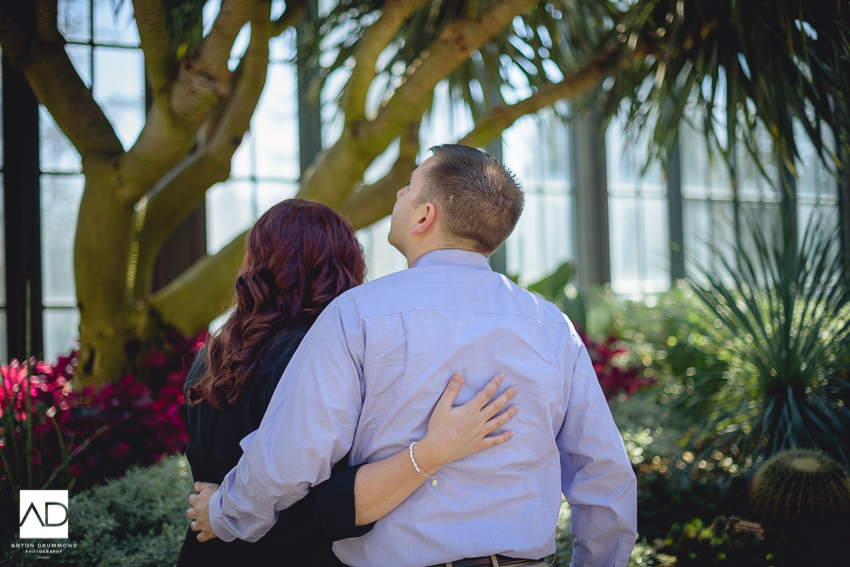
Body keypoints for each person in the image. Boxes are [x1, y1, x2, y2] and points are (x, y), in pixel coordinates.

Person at [189, 145, 638, 567]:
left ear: (425, 215)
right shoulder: (551, 326)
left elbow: (289, 459)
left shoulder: (357, 315)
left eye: (408, 186)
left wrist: (226, 514)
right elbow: (603, 474)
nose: (399, 193)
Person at [178, 199, 519, 566]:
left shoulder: (210, 358)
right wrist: (433, 450)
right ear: (344, 265)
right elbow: (325, 505)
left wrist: (218, 509)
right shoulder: (316, 354)